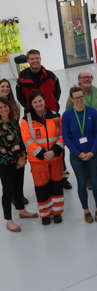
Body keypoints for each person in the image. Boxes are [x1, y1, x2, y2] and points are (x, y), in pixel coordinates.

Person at [16, 49, 72, 190]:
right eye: (32, 59)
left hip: (51, 115)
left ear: (40, 59)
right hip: (33, 118)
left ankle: (62, 176)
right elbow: (21, 97)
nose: (35, 61)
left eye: (37, 58)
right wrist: (32, 109)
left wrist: (50, 107)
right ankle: (44, 175)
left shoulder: (50, 76)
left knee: (57, 145)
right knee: (37, 144)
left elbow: (56, 93)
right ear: (28, 61)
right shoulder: (22, 77)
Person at [20, 90, 65, 225]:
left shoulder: (56, 116)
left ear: (44, 101)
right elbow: (27, 140)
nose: (38, 104)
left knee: (57, 185)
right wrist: (42, 154)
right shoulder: (26, 120)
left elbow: (62, 135)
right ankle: (45, 214)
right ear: (31, 104)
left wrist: (55, 151)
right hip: (38, 162)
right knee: (41, 188)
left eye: (40, 101)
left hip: (55, 158)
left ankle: (57, 212)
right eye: (35, 102)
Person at [62, 86, 97, 223]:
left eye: (81, 97)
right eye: (76, 98)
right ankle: (86, 210)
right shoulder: (67, 115)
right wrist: (78, 153)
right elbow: (66, 137)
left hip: (93, 154)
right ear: (72, 99)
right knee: (81, 183)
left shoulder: (92, 112)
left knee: (96, 182)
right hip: (77, 157)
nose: (79, 100)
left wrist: (92, 151)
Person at [0, 99, 38, 232]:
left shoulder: (14, 122)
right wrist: (16, 160)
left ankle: (22, 210)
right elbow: (2, 149)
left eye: (5, 106)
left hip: (19, 161)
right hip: (6, 164)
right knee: (8, 191)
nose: (4, 109)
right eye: (0, 108)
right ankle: (9, 220)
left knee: (18, 187)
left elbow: (21, 140)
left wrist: (23, 156)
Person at [66, 72, 97, 186]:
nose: (86, 79)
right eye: (83, 77)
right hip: (80, 132)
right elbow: (68, 113)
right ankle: (88, 180)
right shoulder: (74, 95)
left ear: (92, 78)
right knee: (84, 155)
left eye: (89, 77)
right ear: (79, 79)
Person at [1, 78, 29, 205]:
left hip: (16, 141)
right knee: (8, 176)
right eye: (2, 86)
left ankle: (19, 197)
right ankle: (11, 197)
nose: (5, 89)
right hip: (3, 147)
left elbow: (17, 124)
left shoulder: (15, 104)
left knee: (19, 172)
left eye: (7, 86)